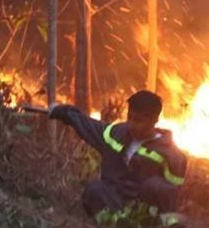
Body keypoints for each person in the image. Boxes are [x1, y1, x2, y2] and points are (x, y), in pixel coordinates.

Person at [48, 90, 188, 217]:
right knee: (95, 190)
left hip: (144, 209)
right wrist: (64, 112)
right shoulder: (116, 134)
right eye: (130, 117)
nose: (132, 124)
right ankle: (111, 221)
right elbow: (88, 125)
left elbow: (172, 194)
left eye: (139, 120)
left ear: (154, 120)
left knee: (156, 186)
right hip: (115, 200)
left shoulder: (171, 154)